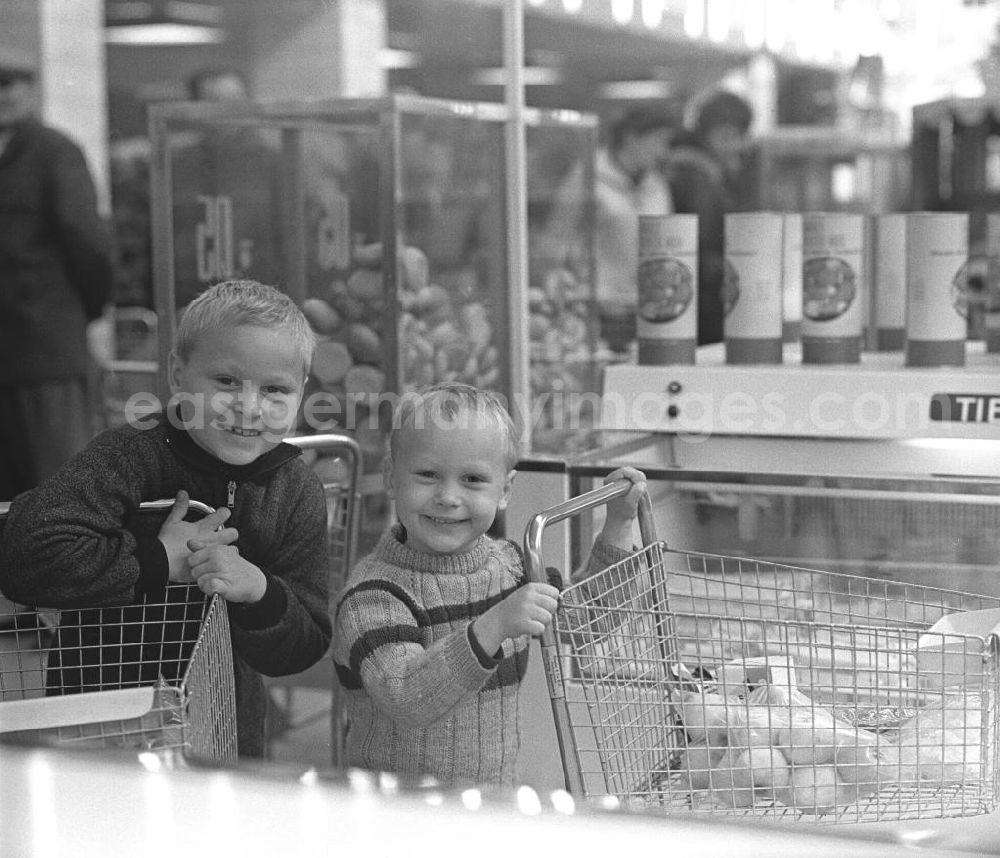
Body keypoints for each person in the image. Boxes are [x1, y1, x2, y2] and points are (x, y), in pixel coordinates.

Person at [0, 279, 332, 758]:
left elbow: (305, 644)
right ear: (178, 375)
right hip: (98, 733)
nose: (248, 405)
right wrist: (159, 560)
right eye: (226, 381)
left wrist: (259, 591)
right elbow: (24, 555)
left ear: (301, 393)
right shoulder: (127, 455)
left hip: (225, 742)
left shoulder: (295, 489)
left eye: (274, 389)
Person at [333, 381, 646, 787]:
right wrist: (493, 626)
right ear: (392, 477)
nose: (448, 496)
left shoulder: (512, 567)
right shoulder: (372, 596)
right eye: (428, 475)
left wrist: (619, 524)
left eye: (473, 479)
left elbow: (590, 621)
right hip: (395, 815)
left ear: (506, 490)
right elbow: (406, 696)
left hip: (490, 806)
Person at [0, 49, 114, 499]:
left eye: (11, 83)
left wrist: (79, 315)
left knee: (58, 489)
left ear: (30, 90)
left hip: (43, 351)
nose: (3, 95)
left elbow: (88, 243)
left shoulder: (52, 151)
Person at [543, 104, 676, 353]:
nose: (663, 151)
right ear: (631, 138)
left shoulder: (656, 184)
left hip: (646, 312)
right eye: (657, 141)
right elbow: (556, 238)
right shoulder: (587, 178)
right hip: (596, 313)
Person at [669, 89, 754, 346]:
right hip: (704, 301)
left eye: (738, 136)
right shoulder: (696, 176)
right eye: (726, 135)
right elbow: (705, 243)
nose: (734, 144)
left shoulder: (713, 172)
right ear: (705, 134)